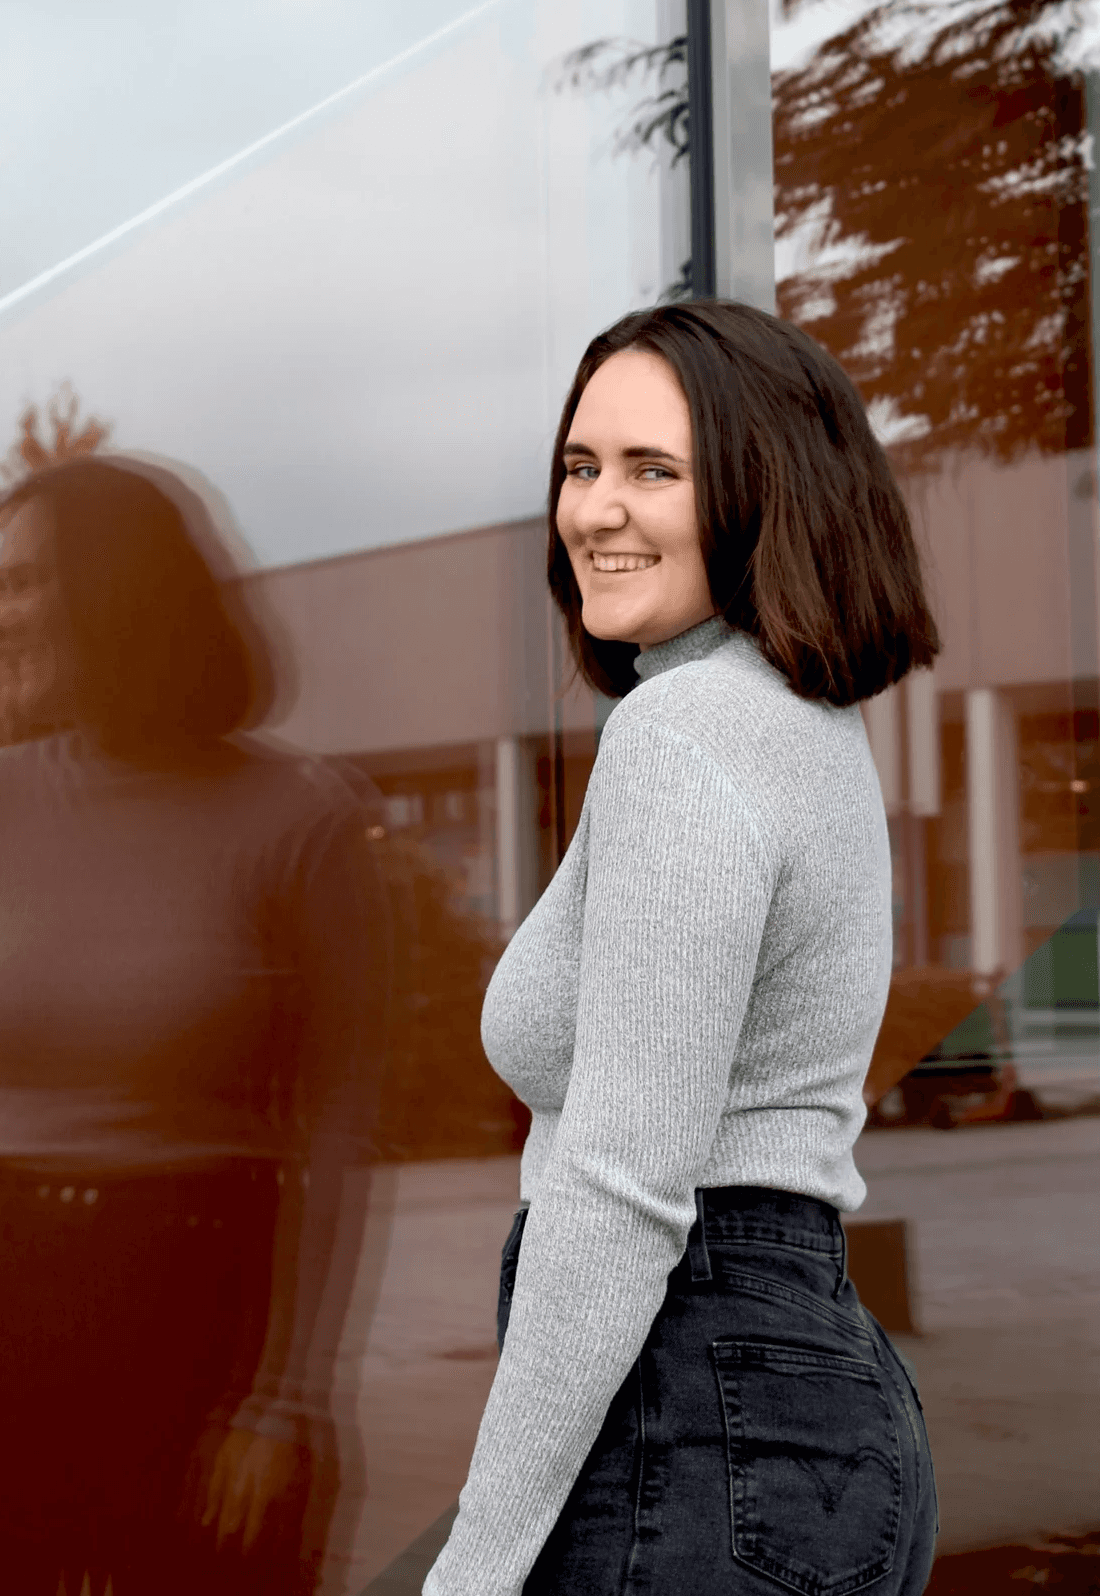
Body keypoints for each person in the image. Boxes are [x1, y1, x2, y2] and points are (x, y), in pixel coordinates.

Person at [424, 300, 941, 1595]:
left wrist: (476, 1564)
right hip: (799, 1386)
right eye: (579, 466)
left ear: (766, 492)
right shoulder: (799, 727)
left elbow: (620, 1181)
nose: (597, 509)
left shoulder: (686, 736)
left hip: (701, 1391)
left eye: (654, 471)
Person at [0, 456, 391, 1596]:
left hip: (195, 1305)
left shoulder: (300, 817)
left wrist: (283, 1396)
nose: (2, 611)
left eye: (26, 583)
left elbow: (337, 1126)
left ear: (115, 592)